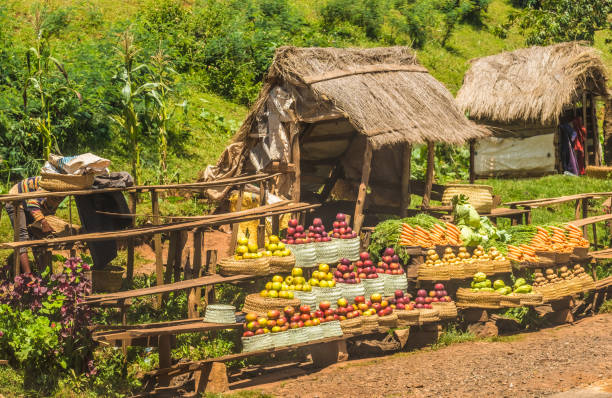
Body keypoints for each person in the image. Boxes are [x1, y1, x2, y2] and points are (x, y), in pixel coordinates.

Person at [4, 176, 65, 274]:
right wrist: (44, 223)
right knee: (22, 236)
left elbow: (48, 208)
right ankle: (28, 277)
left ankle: (43, 273)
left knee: (36, 235)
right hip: (16, 200)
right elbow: (32, 204)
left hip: (29, 202)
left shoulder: (63, 189)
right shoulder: (46, 188)